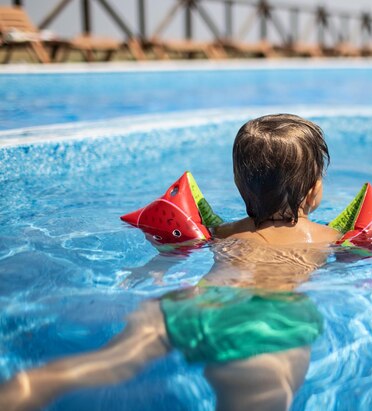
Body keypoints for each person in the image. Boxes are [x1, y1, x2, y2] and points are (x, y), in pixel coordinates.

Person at [0, 114, 340, 411]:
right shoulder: (328, 238)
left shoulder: (221, 232)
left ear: (241, 184)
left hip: (194, 306)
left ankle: (25, 389)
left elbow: (178, 249)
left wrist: (153, 269)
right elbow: (352, 263)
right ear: (313, 191)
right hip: (264, 330)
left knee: (99, 365)